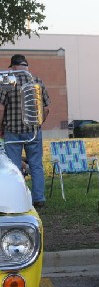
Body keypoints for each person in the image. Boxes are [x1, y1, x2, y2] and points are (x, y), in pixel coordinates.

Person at [0, 54, 50, 209]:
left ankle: (18, 199)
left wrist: (0, 127)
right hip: (33, 131)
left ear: (14, 67)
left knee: (14, 168)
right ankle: (39, 199)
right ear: (25, 66)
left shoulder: (7, 82)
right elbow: (47, 108)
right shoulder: (37, 81)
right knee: (36, 165)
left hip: (12, 131)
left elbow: (1, 108)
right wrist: (38, 123)